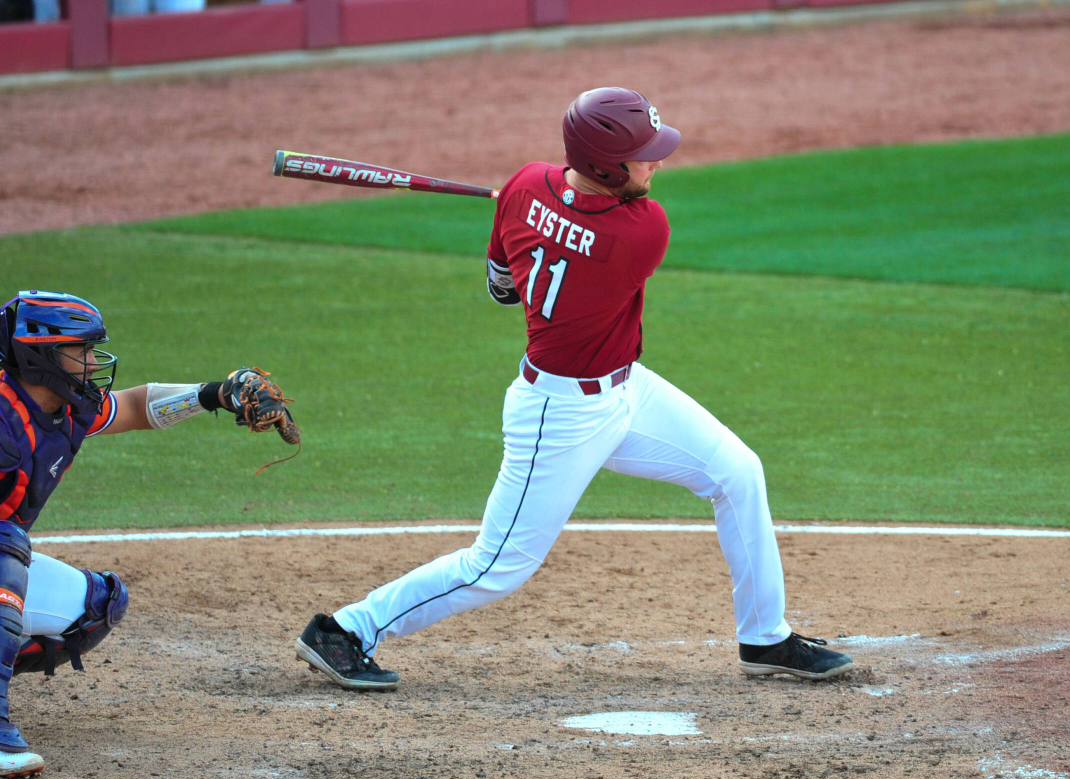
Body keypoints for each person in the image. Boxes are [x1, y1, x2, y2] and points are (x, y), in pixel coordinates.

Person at [294, 87, 852, 692]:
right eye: (645, 155)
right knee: (496, 567)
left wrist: (529, 211)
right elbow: (587, 230)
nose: (657, 163)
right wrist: (546, 214)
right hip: (558, 413)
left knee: (738, 472)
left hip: (627, 391)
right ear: (609, 167)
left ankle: (765, 637)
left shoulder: (524, 185)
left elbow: (501, 288)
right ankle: (347, 630)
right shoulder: (641, 231)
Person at [0, 290, 297, 777]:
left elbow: (134, 407)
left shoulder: (63, 407)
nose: (93, 362)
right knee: (2, 549)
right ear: (40, 355)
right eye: (82, 351)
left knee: (95, 607)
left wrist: (212, 393)